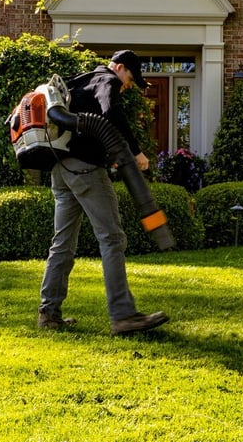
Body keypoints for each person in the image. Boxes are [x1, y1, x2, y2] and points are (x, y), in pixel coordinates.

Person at [37, 50, 170, 335]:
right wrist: (136, 152)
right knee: (112, 238)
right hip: (85, 169)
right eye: (131, 79)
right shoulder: (106, 80)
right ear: (119, 68)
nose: (129, 85)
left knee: (62, 243)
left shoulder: (78, 81)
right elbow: (111, 114)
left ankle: (49, 313)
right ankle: (123, 315)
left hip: (61, 169)